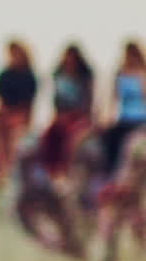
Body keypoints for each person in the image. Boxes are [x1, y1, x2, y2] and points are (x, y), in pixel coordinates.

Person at [0, 40, 37, 191]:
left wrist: (24, 120)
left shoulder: (29, 76)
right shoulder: (4, 75)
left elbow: (29, 105)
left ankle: (7, 170)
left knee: (13, 133)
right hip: (5, 112)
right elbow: (0, 101)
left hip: (20, 114)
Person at [38, 44, 95, 180]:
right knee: (49, 135)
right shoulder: (59, 77)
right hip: (61, 116)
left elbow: (88, 103)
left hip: (79, 117)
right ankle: (51, 172)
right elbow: (55, 101)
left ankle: (66, 169)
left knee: (70, 137)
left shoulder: (85, 78)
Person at [101, 40, 146, 176]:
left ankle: (123, 175)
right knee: (110, 137)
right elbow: (114, 99)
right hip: (124, 118)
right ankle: (110, 173)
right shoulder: (120, 75)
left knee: (129, 144)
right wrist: (107, 118)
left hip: (140, 120)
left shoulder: (142, 74)